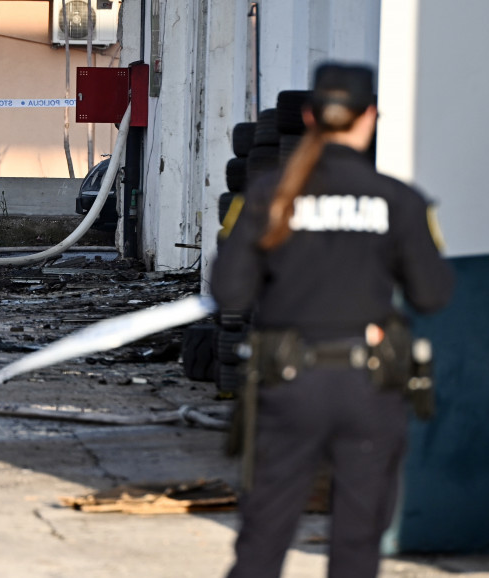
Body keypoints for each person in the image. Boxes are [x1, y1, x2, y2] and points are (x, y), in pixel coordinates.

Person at [211, 62, 454, 578]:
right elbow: (432, 296)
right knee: (357, 543)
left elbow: (230, 291)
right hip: (369, 386)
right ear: (371, 116)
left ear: (308, 116)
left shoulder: (267, 194)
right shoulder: (401, 201)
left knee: (263, 538)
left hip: (287, 383)